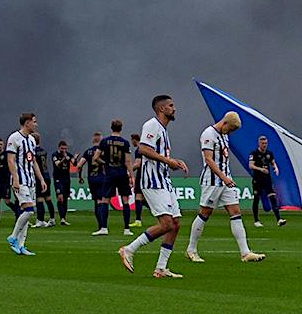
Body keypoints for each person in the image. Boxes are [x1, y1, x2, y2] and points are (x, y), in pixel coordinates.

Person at [119, 94, 188, 277]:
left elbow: (158, 156)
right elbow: (143, 149)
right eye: (171, 105)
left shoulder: (163, 130)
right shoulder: (151, 125)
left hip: (164, 181)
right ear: (161, 109)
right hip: (153, 181)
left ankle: (161, 267)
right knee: (166, 224)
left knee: (175, 224)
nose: (174, 108)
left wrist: (172, 162)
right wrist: (167, 160)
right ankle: (129, 249)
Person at [186, 109, 264, 264]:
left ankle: (245, 252)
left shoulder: (224, 135)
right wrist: (223, 177)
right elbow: (208, 159)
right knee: (205, 213)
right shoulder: (208, 134)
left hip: (226, 180)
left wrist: (226, 177)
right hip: (212, 181)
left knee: (236, 212)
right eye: (231, 129)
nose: (231, 132)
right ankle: (191, 249)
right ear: (225, 122)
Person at [5, 113, 43, 255]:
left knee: (28, 214)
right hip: (20, 180)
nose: (36, 124)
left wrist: (41, 179)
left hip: (31, 180)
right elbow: (10, 160)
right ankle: (13, 237)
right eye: (34, 122)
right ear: (27, 123)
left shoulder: (32, 140)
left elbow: (32, 161)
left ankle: (21, 246)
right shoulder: (14, 138)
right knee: (29, 210)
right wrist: (15, 178)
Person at [95, 118, 135, 233]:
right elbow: (128, 161)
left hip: (110, 172)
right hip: (122, 172)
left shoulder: (104, 141)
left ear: (111, 128)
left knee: (105, 199)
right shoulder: (125, 142)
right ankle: (127, 228)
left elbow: (96, 157)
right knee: (125, 200)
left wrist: (105, 163)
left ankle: (104, 228)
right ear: (121, 128)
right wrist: (132, 176)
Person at [248, 135, 285, 227]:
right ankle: (256, 221)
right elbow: (251, 165)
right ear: (259, 143)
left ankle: (279, 219)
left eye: (265, 143)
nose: (264, 145)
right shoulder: (254, 153)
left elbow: (273, 162)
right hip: (257, 180)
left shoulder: (269, 153)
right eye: (262, 143)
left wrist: (275, 168)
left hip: (267, 179)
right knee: (256, 199)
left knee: (273, 198)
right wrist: (261, 169)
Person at [51, 139, 76, 225]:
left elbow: (74, 163)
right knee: (60, 198)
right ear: (59, 148)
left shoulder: (69, 155)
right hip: (58, 179)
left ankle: (63, 218)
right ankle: (61, 217)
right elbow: (58, 164)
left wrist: (75, 159)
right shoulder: (55, 155)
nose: (64, 150)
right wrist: (64, 159)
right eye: (62, 148)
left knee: (65, 199)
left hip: (66, 179)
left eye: (65, 148)